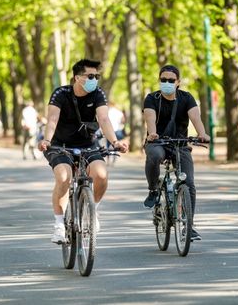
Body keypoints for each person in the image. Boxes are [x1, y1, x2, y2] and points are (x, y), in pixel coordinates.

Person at [38, 59, 128, 244]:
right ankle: (59, 225)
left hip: (88, 145)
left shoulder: (98, 94)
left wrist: (115, 142)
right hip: (59, 145)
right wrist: (47, 140)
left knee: (101, 175)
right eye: (90, 76)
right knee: (64, 177)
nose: (94, 79)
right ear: (77, 78)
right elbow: (52, 119)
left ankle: (93, 210)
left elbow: (103, 119)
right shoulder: (60, 93)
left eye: (97, 76)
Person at [143, 64, 209, 241]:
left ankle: (189, 225)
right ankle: (153, 190)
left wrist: (202, 134)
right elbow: (149, 117)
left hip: (180, 143)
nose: (167, 83)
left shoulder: (187, 98)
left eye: (171, 80)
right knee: (155, 156)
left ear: (178, 82)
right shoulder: (152, 98)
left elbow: (196, 118)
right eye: (163, 80)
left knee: (189, 182)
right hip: (157, 141)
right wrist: (152, 133)